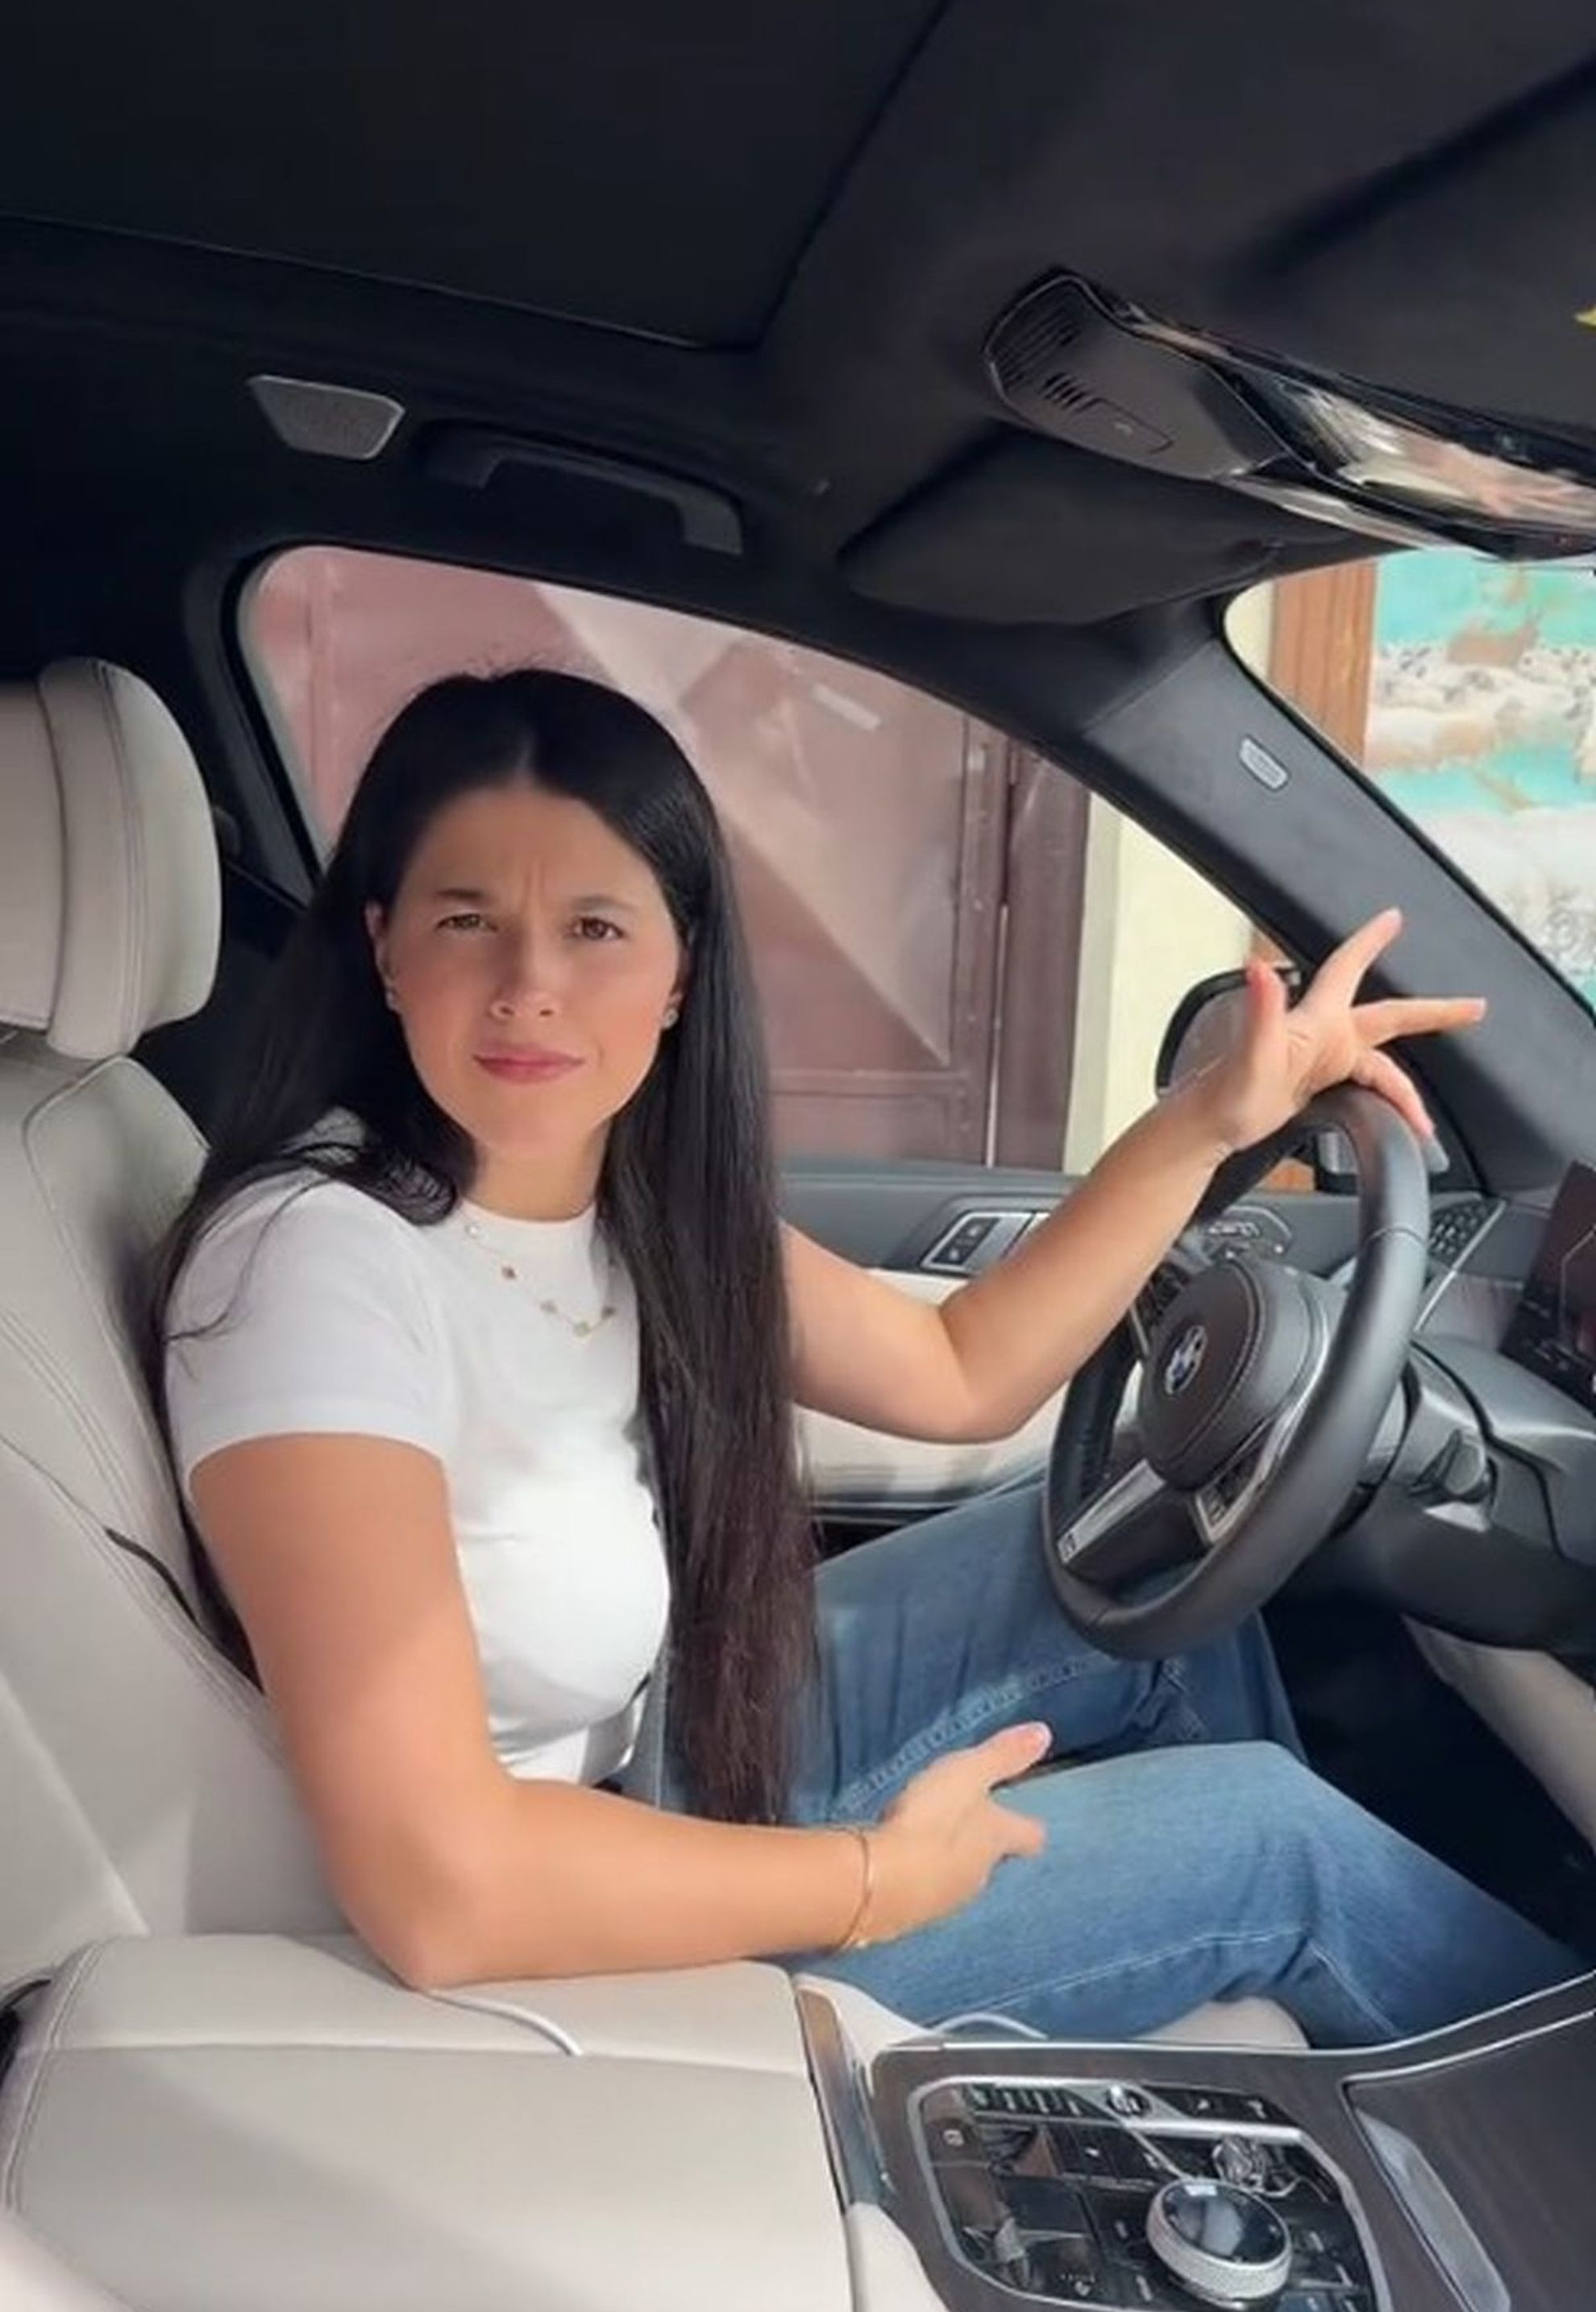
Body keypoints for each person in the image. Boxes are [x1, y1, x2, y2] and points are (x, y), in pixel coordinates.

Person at [156, 670, 1581, 2045]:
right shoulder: (315, 1266)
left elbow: (960, 1371)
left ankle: (1247, 2050)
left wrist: (1214, 1117)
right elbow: (441, 1888)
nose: (530, 986)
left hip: (652, 1757)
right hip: (547, 1924)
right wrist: (875, 1883)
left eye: (594, 928)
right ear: (385, 948)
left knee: (1128, 1558)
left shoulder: (611, 1200)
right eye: (469, 921)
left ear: (679, 972)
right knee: (1275, 1849)